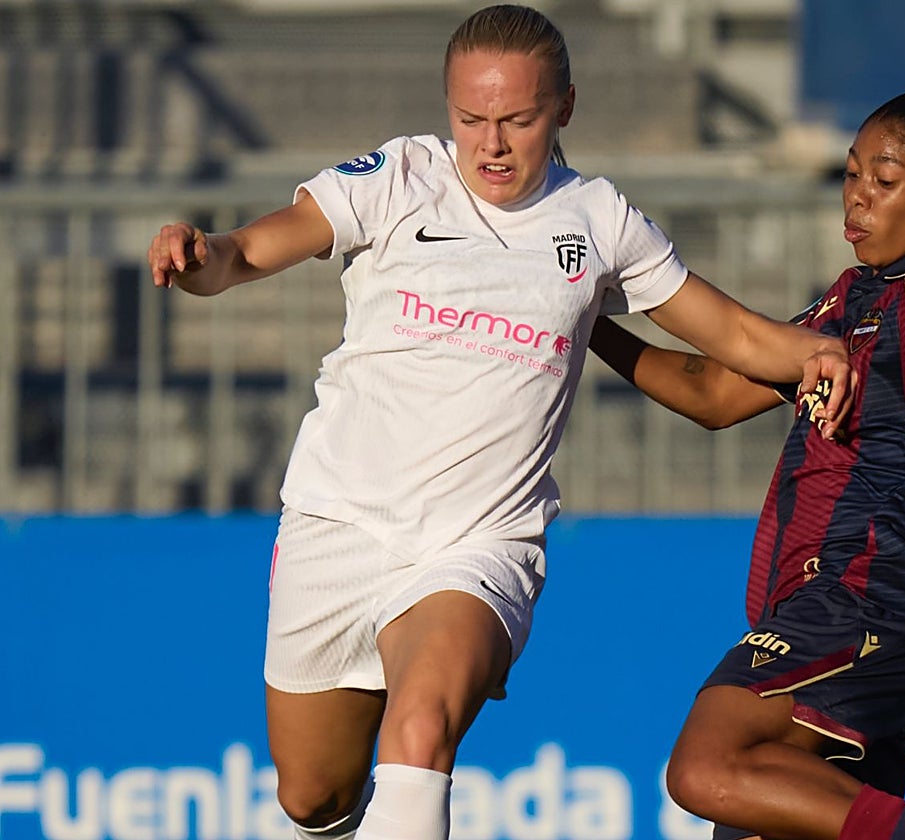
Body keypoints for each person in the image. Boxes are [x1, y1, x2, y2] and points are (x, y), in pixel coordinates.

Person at [146, 5, 853, 840]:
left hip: (479, 543)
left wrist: (811, 349)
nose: (491, 143)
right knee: (314, 796)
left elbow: (727, 332)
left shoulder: (598, 220)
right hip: (339, 523)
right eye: (470, 118)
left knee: (420, 733)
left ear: (565, 108)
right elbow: (251, 250)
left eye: (517, 119)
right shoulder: (397, 177)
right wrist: (199, 256)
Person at [587, 88, 905, 840]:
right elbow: (713, 393)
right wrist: (582, 320)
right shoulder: (854, 298)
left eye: (883, 183)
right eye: (851, 176)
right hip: (826, 606)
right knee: (752, 815)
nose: (857, 199)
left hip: (864, 597)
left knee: (707, 766)